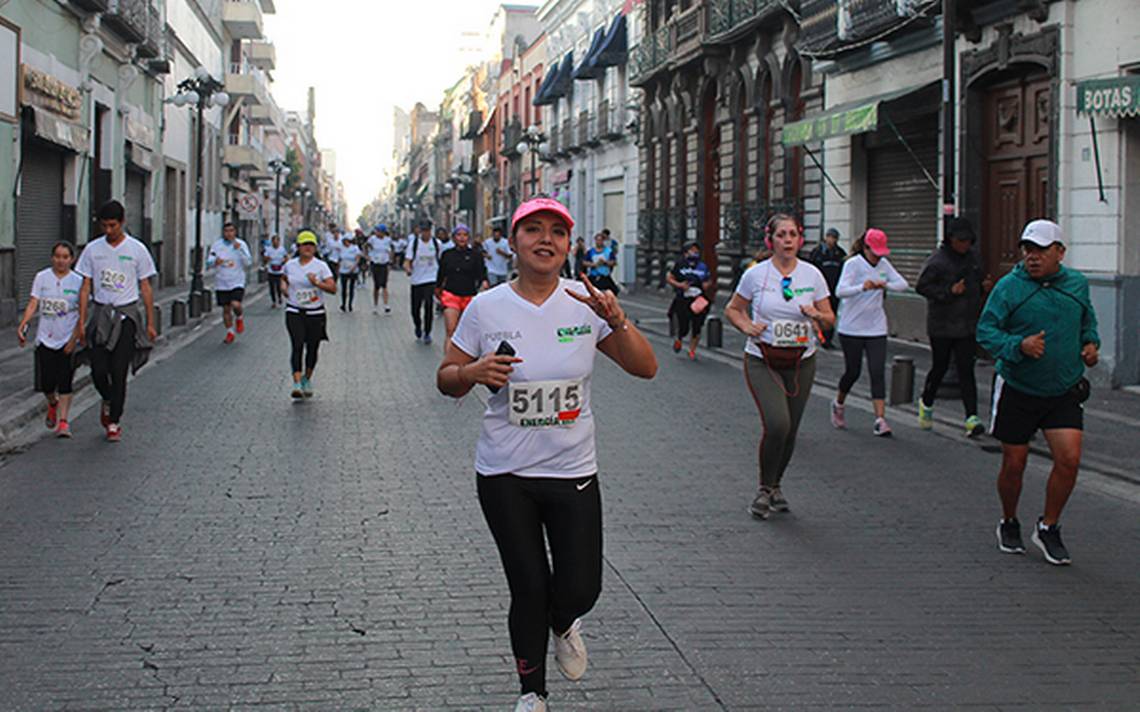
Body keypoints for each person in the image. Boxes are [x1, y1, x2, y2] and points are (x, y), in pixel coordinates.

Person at [437, 197, 657, 712]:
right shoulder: (487, 307)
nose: (545, 240)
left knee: (582, 587)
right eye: (532, 230)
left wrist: (619, 321)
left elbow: (645, 369)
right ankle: (531, 694)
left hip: (573, 470)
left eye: (556, 232)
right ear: (512, 243)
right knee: (529, 586)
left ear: (568, 245)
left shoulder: (587, 302)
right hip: (504, 474)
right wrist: (471, 374)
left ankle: (566, 620)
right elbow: (446, 378)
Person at [977, 220, 1099, 566]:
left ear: (1060, 252)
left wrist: (1091, 345)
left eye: (1041, 250)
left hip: (1063, 388)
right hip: (1018, 387)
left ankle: (1048, 526)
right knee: (1015, 463)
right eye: (1028, 250)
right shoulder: (1009, 287)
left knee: (1069, 459)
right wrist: (1019, 345)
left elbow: (1087, 322)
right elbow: (986, 332)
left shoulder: (1076, 284)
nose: (1033, 257)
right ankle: (1009, 519)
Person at [725, 213, 834, 519]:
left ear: (800, 239)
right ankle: (763, 487)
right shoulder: (756, 275)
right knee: (777, 424)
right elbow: (733, 309)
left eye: (793, 235)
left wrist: (815, 313)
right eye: (781, 235)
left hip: (801, 361)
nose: (788, 241)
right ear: (770, 240)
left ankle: (776, 485)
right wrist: (746, 326)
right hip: (763, 359)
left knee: (791, 431)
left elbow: (830, 318)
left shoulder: (812, 275)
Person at [75, 200, 157, 442]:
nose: (108, 231)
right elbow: (85, 286)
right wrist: (81, 321)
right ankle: (107, 398)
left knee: (119, 371)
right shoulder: (92, 250)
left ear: (122, 223)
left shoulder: (137, 250)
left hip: (126, 315)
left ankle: (114, 421)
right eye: (104, 226)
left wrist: (150, 322)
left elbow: (146, 287)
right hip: (101, 315)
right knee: (99, 370)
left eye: (112, 225)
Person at [915, 217, 991, 436]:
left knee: (966, 369)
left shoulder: (974, 258)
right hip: (942, 325)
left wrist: (983, 288)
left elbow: (976, 283)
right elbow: (922, 286)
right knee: (940, 367)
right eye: (960, 240)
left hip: (967, 323)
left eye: (968, 240)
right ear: (950, 240)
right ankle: (926, 402)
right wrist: (949, 291)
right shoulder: (937, 261)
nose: (965, 244)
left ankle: (972, 416)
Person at [830, 228, 908, 436]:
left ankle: (880, 419)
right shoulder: (852, 264)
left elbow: (903, 284)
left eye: (880, 252)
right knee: (853, 371)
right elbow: (840, 291)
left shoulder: (883, 264)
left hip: (876, 327)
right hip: (851, 327)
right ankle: (838, 403)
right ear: (865, 248)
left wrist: (885, 284)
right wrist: (862, 287)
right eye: (874, 252)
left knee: (877, 371)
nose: (878, 257)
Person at [17, 242, 82, 438]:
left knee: (65, 381)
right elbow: (33, 303)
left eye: (65, 257)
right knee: (46, 383)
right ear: (52, 258)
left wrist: (76, 338)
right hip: (45, 338)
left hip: (67, 337)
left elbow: (82, 312)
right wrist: (24, 324)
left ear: (71, 259)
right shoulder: (42, 277)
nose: (60, 261)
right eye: (57, 256)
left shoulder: (78, 281)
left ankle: (63, 422)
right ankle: (52, 403)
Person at [280, 230, 337, 398]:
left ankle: (307, 378)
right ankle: (297, 383)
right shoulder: (290, 265)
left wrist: (317, 283)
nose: (308, 248)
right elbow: (283, 278)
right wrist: (283, 287)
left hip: (315, 313)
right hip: (294, 311)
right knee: (297, 345)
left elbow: (333, 289)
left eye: (311, 245)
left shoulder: (321, 266)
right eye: (304, 244)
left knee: (312, 348)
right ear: (298, 247)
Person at [436, 224, 489, 344]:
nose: (462, 238)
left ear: (468, 238)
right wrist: (438, 288)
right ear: (454, 237)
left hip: (469, 296)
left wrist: (484, 282)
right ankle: (449, 362)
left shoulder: (475, 255)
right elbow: (441, 273)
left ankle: (465, 360)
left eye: (465, 235)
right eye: (459, 235)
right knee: (451, 330)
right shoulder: (447, 254)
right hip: (451, 295)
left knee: (468, 332)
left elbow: (481, 272)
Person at [665, 241, 713, 360]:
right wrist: (680, 285)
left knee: (697, 325)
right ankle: (679, 338)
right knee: (683, 324)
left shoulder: (702, 266)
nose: (694, 253)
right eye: (692, 250)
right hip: (683, 298)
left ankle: (692, 350)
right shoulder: (680, 264)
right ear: (686, 252)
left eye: (696, 251)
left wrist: (705, 285)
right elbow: (669, 277)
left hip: (698, 300)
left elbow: (708, 280)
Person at [208, 222, 252, 343]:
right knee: (226, 309)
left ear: (235, 232)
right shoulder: (217, 245)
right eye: (226, 231)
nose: (229, 233)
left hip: (237, 280)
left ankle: (239, 317)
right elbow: (209, 261)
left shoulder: (241, 244)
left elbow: (248, 262)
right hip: (221, 281)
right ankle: (230, 332)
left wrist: (240, 251)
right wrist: (215, 262)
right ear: (223, 232)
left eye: (231, 231)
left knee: (236, 304)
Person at [808, 227, 846, 348]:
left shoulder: (840, 253)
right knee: (820, 314)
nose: (831, 240)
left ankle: (828, 338)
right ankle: (822, 337)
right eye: (829, 237)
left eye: (834, 237)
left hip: (834, 289)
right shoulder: (817, 252)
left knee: (831, 314)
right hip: (820, 290)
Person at [404, 220, 441, 343]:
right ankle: (418, 326)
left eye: (427, 231)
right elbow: (407, 260)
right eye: (423, 231)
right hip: (417, 280)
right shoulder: (414, 244)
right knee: (415, 308)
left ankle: (427, 332)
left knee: (429, 305)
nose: (425, 233)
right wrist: (408, 268)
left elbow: (441, 260)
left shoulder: (436, 243)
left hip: (431, 278)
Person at [367, 224, 394, 314]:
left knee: (384, 284)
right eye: (376, 231)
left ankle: (386, 304)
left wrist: (390, 260)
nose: (377, 233)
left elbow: (391, 250)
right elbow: (365, 246)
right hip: (375, 263)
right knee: (376, 285)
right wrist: (368, 256)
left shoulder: (388, 240)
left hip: (384, 264)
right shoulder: (372, 239)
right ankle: (375, 305)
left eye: (379, 231)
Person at [336, 235, 363, 312]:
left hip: (353, 271)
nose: (345, 242)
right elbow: (339, 259)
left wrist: (354, 267)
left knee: (351, 288)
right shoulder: (341, 248)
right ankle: (343, 304)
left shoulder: (355, 248)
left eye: (346, 241)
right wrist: (338, 270)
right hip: (343, 270)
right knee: (344, 288)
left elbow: (358, 259)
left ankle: (350, 304)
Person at [263, 234, 288, 309]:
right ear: (272, 242)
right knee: (271, 287)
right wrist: (267, 258)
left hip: (280, 271)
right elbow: (265, 258)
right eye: (274, 241)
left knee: (278, 287)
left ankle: (280, 297)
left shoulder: (282, 249)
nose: (275, 243)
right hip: (271, 270)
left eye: (277, 241)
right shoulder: (269, 249)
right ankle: (273, 301)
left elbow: (286, 257)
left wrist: (283, 262)